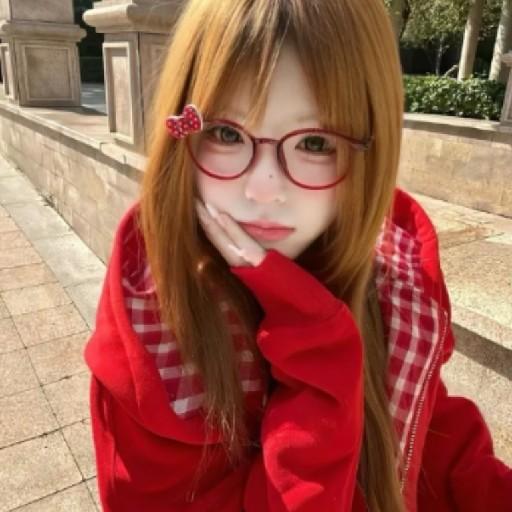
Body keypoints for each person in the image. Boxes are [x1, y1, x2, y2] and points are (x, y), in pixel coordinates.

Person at [84, 0, 512, 510]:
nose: (264, 188)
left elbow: (430, 428)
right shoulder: (157, 339)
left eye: (314, 142)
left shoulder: (389, 277)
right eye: (226, 133)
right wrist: (315, 349)